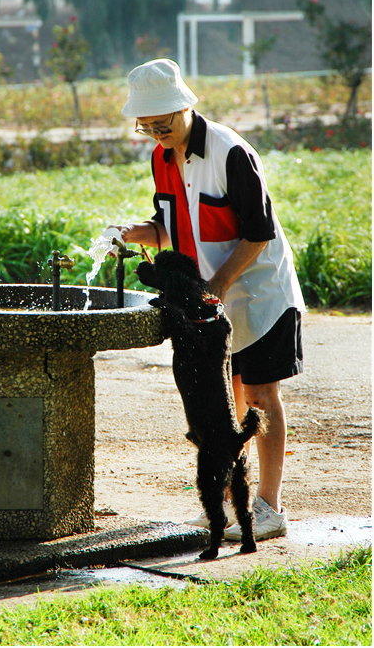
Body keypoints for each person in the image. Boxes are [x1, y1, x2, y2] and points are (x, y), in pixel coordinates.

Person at [110, 58, 305, 540]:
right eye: (147, 126)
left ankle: (269, 507)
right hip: (211, 300)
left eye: (163, 123)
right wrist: (136, 232)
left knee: (261, 396)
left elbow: (257, 234)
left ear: (186, 107)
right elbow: (172, 229)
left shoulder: (230, 152)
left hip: (260, 291)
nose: (157, 133)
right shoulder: (161, 158)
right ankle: (229, 497)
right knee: (229, 398)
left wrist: (216, 287)